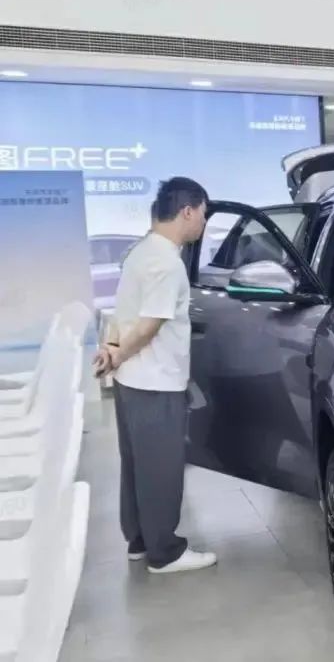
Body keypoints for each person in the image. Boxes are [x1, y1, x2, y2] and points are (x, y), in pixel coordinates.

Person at [93, 177, 217, 575]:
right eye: (202, 214)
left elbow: (121, 312)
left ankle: (139, 541)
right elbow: (149, 325)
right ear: (187, 211)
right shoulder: (168, 263)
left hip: (130, 380)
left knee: (136, 464)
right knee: (162, 467)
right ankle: (165, 553)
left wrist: (113, 351)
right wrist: (118, 354)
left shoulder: (140, 251)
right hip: (156, 380)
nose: (203, 222)